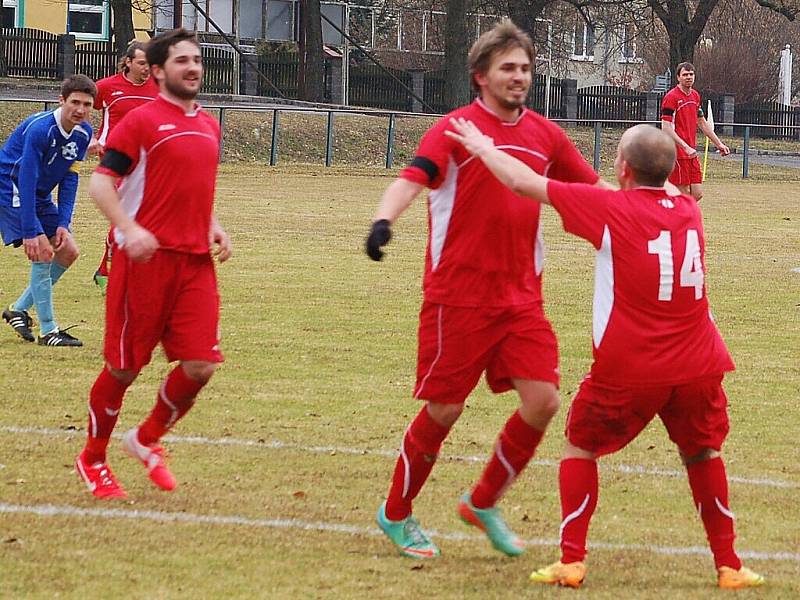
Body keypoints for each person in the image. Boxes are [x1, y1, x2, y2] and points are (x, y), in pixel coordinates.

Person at [445, 118, 764, 590]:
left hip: (631, 366)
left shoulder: (610, 208)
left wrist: (481, 145)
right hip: (700, 362)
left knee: (580, 444)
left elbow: (522, 181)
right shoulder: (688, 208)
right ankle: (729, 564)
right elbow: (650, 186)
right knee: (702, 453)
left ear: (623, 168)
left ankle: (572, 560)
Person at [365, 19, 612, 559]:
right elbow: (411, 179)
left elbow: (594, 192)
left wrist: (643, 217)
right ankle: (396, 512)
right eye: (508, 68)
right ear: (481, 75)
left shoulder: (546, 135)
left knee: (543, 401)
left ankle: (482, 501)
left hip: (523, 299)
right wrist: (384, 221)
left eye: (524, 68)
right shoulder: (454, 128)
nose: (519, 76)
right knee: (444, 411)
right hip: (457, 299)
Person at [75, 28, 232, 499]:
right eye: (182, 60)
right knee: (125, 369)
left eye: (198, 60)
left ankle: (146, 439)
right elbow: (102, 184)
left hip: (194, 263)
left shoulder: (209, 124)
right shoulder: (141, 121)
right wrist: (131, 227)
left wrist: (213, 223)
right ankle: (93, 458)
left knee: (201, 364)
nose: (193, 67)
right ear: (159, 70)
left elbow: (194, 187)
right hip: (143, 263)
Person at [0, 74, 96, 347]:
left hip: (37, 193)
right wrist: (31, 231)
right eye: (74, 102)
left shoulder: (83, 132)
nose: (80, 109)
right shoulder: (41, 129)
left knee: (68, 251)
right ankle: (49, 331)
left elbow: (70, 177)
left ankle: (18, 309)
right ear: (61, 100)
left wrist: (63, 222)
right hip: (11, 188)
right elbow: (25, 178)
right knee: (42, 251)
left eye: (87, 104)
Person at [89, 41, 160, 295]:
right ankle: (110, 270)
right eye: (142, 63)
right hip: (113, 160)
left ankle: (106, 268)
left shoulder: (157, 88)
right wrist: (89, 137)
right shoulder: (107, 87)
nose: (146, 69)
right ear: (128, 62)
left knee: (142, 216)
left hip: (146, 163)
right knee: (126, 215)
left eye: (149, 65)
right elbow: (80, 105)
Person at [661, 62, 730, 201]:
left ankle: (668, 211)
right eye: (685, 75)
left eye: (691, 74)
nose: (688, 77)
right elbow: (666, 127)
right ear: (678, 77)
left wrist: (719, 144)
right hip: (677, 152)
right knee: (683, 194)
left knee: (697, 194)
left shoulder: (695, 96)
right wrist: (684, 146)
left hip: (691, 153)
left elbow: (702, 122)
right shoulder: (671, 97)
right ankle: (674, 217)